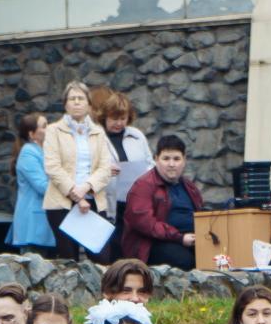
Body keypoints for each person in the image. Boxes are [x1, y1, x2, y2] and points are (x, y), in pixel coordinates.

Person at [42, 81, 115, 260]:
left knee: (102, 257)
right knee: (69, 260)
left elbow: (105, 167)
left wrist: (86, 187)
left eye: (81, 98)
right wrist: (77, 195)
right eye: (72, 98)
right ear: (65, 104)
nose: (76, 102)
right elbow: (52, 167)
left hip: (93, 200)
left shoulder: (98, 132)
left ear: (89, 104)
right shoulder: (53, 131)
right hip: (61, 203)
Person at [121, 135, 205, 269]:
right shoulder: (143, 185)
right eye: (166, 159)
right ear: (156, 159)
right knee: (186, 261)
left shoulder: (189, 186)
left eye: (176, 159)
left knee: (219, 256)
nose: (171, 164)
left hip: (190, 238)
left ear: (184, 160)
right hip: (152, 244)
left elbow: (201, 213)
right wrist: (180, 238)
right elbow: (145, 223)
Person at [99, 91, 151, 258]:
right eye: (114, 118)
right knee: (113, 246)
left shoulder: (137, 135)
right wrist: (105, 170)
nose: (119, 123)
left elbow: (149, 162)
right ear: (105, 117)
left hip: (134, 199)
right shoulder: (97, 137)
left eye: (123, 118)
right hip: (108, 201)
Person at [9, 113, 55, 253]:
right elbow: (42, 186)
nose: (49, 129)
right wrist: (68, 189)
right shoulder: (28, 152)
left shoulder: (45, 151)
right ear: (32, 134)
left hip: (44, 222)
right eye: (44, 126)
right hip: (34, 224)